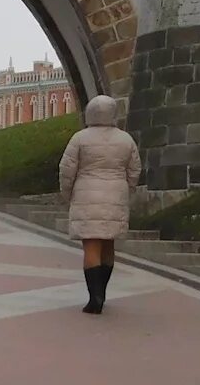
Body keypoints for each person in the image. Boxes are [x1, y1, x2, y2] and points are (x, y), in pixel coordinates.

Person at [58, 95, 140, 315]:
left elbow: (67, 170)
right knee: (108, 244)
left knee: (91, 245)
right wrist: (127, 189)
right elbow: (134, 170)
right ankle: (102, 290)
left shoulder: (79, 138)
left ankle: (94, 297)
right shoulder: (126, 140)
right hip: (116, 194)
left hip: (86, 194)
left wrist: (67, 193)